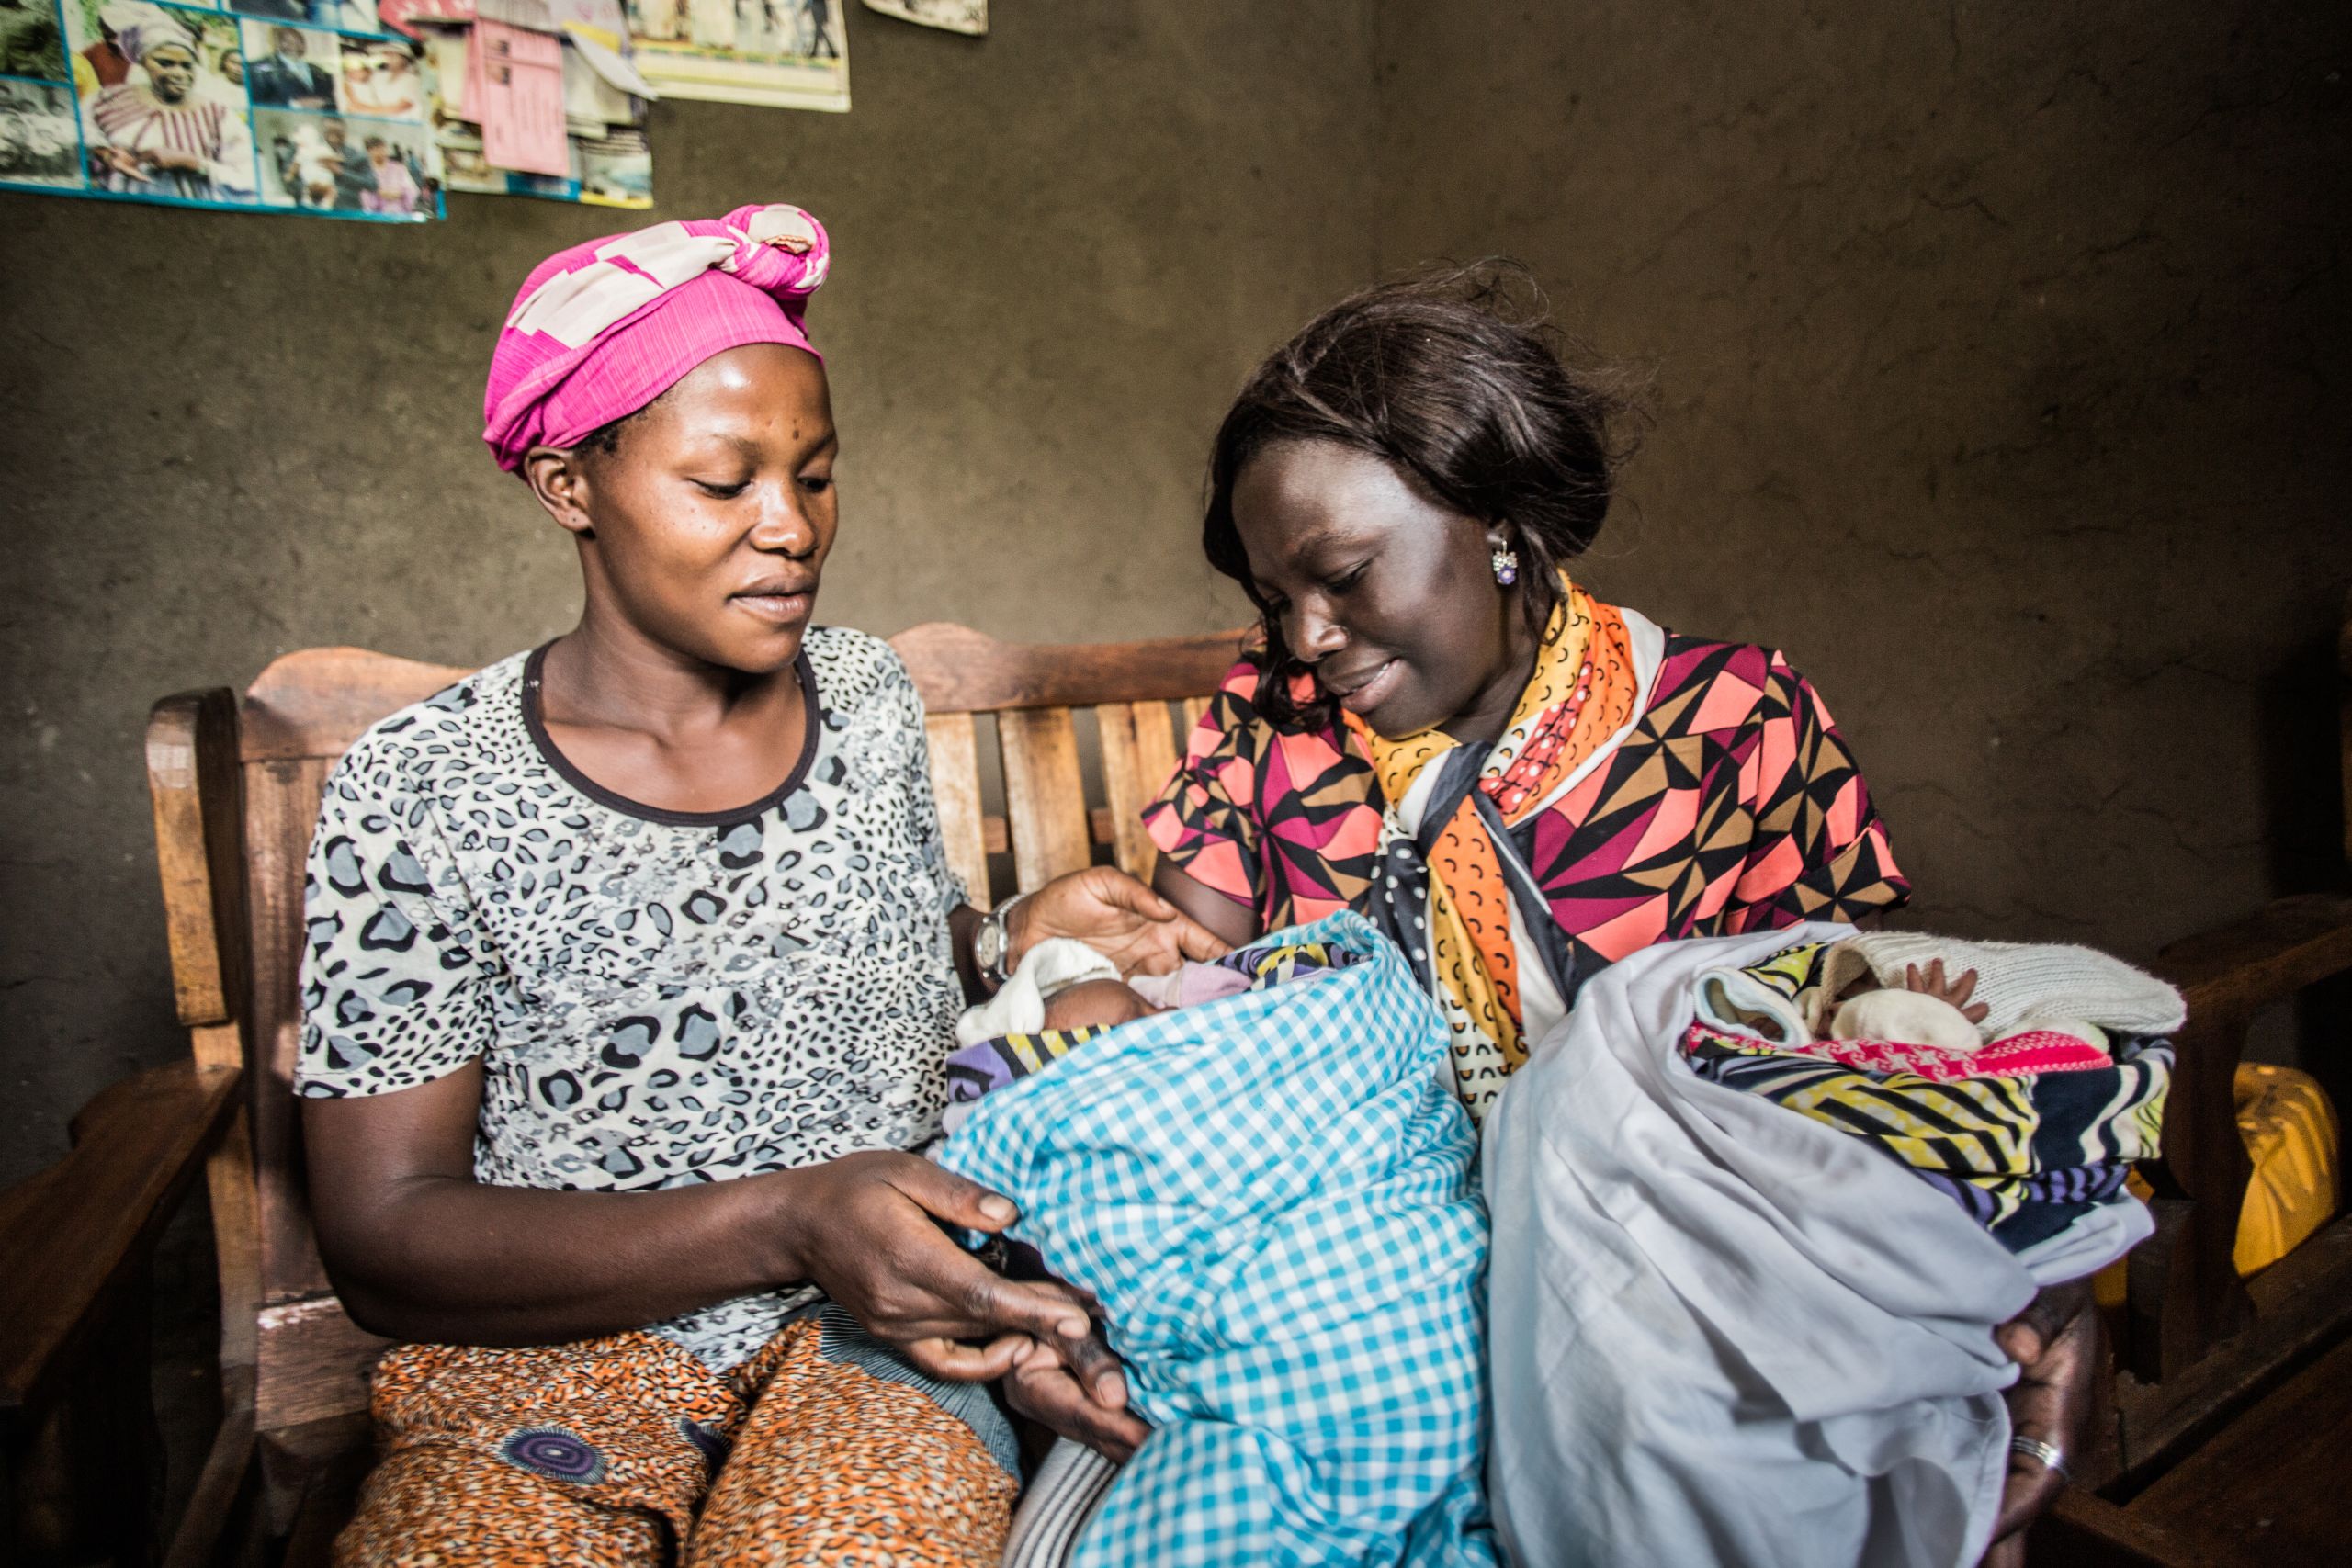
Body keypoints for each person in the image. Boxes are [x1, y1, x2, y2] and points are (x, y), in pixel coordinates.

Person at [297, 202, 1220, 1564]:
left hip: (885, 1334)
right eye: (724, 483)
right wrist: (788, 1212)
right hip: (549, 1360)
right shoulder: (421, 786)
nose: (790, 527)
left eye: (819, 474)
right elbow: (384, 1237)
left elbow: (869, 942)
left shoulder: (863, 694)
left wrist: (1008, 934)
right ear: (569, 485)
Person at [1142, 267, 2095, 1565]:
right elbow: (1173, 1041)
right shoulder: (1270, 724)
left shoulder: (1733, 727)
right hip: (1366, 1291)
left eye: (1345, 574)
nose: (1305, 634)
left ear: (1500, 523)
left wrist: (2029, 1262)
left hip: (1674, 1286)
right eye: (1272, 595)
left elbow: (1869, 1057)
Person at [81, 9, 254, 203]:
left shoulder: (217, 114)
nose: (179, 73)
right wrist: (106, 155)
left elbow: (248, 177)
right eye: (165, 63)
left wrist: (191, 162)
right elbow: (83, 133)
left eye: (186, 65)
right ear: (144, 63)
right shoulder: (109, 99)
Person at [245, 26, 334, 109]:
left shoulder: (319, 71)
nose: (293, 43)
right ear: (277, 43)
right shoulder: (258, 68)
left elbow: (333, 103)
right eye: (286, 39)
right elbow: (257, 105)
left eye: (298, 40)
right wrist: (294, 105)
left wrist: (325, 103)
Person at [317, 116, 375, 209]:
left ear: (345, 134)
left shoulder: (358, 156)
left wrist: (341, 172)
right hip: (313, 210)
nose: (333, 139)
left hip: (346, 209)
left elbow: (372, 185)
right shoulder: (311, 152)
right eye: (329, 133)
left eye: (338, 134)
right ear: (322, 133)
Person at [358, 134, 418, 216]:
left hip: (400, 211)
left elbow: (411, 189)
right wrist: (380, 193)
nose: (380, 152)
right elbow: (364, 193)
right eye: (376, 149)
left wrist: (399, 194)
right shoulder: (365, 171)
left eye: (382, 148)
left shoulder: (399, 168)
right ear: (369, 151)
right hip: (376, 214)